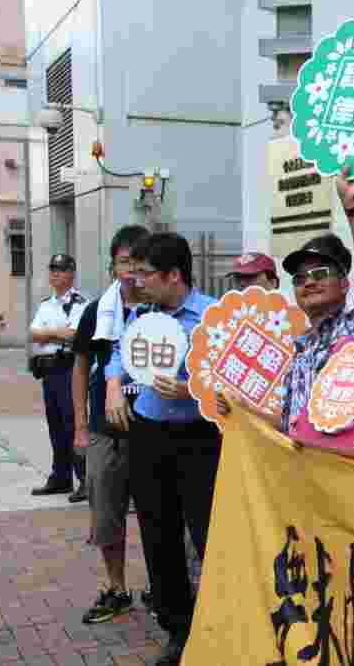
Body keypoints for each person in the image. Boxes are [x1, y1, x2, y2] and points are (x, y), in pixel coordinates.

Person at [104, 232, 219, 666]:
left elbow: (231, 379)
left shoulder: (212, 317)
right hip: (149, 433)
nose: (137, 282)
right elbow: (118, 351)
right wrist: (114, 384)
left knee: (209, 533)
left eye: (146, 274)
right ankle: (178, 629)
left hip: (201, 438)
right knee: (158, 533)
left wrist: (193, 388)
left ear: (174, 275)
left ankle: (223, 622)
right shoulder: (142, 316)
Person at [216, 167, 354, 436]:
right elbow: (291, 427)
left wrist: (353, 208)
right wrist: (242, 408)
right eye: (300, 278)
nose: (308, 282)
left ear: (344, 283)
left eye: (320, 273)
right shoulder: (300, 348)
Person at [71, 225, 149, 624]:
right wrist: (81, 426)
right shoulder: (98, 310)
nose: (131, 269)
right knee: (106, 515)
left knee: (159, 516)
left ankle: (162, 588)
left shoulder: (161, 309)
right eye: (124, 262)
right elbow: (81, 367)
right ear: (113, 266)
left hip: (154, 431)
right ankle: (117, 588)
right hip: (106, 433)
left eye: (138, 261)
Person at [29, 253, 88, 498]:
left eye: (61, 270)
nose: (56, 274)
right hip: (48, 371)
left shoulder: (79, 303)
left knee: (73, 424)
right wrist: (56, 333)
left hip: (68, 370)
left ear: (72, 274)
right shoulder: (46, 304)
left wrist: (49, 334)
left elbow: (73, 335)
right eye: (53, 269)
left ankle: (85, 479)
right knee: (55, 425)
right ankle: (61, 477)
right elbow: (34, 334)